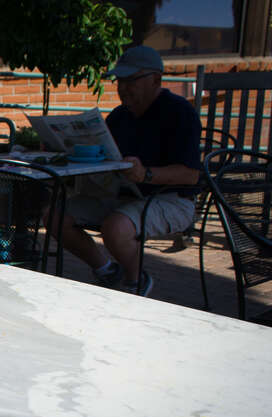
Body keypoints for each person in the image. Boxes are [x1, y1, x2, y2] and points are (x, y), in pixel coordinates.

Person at [48, 45, 202, 297]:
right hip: (123, 195)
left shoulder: (180, 112)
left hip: (173, 199)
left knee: (116, 227)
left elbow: (191, 175)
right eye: (120, 80)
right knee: (55, 215)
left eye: (132, 80)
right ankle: (107, 271)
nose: (123, 87)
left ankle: (135, 281)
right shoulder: (119, 116)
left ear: (156, 79)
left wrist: (146, 174)